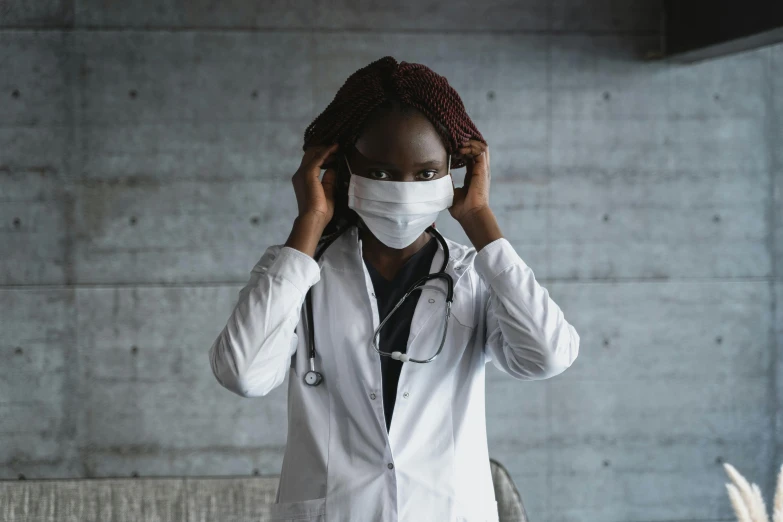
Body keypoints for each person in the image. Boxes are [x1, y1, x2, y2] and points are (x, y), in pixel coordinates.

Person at [208, 56, 580, 522]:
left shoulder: (473, 276)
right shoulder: (299, 273)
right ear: (340, 170)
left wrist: (480, 221)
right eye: (381, 173)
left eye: (425, 174)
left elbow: (548, 356)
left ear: (452, 172)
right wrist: (309, 222)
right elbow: (243, 374)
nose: (404, 191)